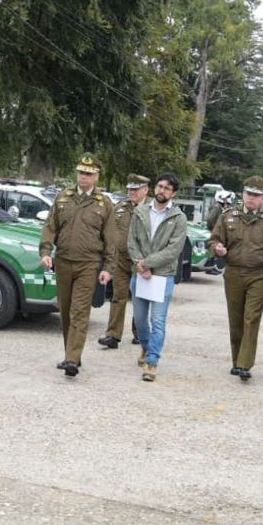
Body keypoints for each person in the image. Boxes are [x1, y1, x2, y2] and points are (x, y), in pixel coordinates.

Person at [39, 154, 115, 377]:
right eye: (81, 172)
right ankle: (71, 354)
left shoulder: (104, 204)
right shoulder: (64, 198)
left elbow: (111, 239)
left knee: (79, 312)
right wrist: (45, 251)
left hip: (89, 264)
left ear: (97, 176)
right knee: (65, 311)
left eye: (89, 174)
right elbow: (50, 227)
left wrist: (108, 267)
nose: (84, 177)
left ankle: (71, 359)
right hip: (63, 262)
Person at [208, 176, 263, 381]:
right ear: (242, 194)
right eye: (248, 193)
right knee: (236, 318)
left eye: (256, 195)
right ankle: (236, 361)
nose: (251, 198)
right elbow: (213, 239)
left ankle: (245, 364)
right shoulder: (228, 216)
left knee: (251, 317)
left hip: (259, 274)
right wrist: (217, 248)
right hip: (233, 273)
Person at [127, 173, 189, 381]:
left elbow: (174, 250)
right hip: (140, 273)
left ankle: (152, 362)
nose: (162, 191)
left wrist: (148, 263)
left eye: (167, 188)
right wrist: (139, 263)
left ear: (174, 193)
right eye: (160, 186)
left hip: (163, 276)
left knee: (158, 320)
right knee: (140, 319)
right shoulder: (140, 212)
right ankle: (145, 346)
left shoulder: (178, 218)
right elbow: (132, 241)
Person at [98, 174, 150, 350]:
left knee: (140, 298)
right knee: (118, 296)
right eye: (130, 189)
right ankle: (113, 335)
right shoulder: (120, 207)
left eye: (136, 189)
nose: (132, 192)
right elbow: (111, 233)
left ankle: (139, 332)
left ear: (145, 190)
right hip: (120, 259)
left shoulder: (152, 209)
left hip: (141, 261)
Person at [205, 190, 234, 275]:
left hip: (215, 230)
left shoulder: (219, 207)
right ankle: (210, 267)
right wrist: (213, 228)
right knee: (213, 247)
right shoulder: (216, 207)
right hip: (213, 230)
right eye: (226, 198)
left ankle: (212, 267)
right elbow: (210, 219)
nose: (228, 201)